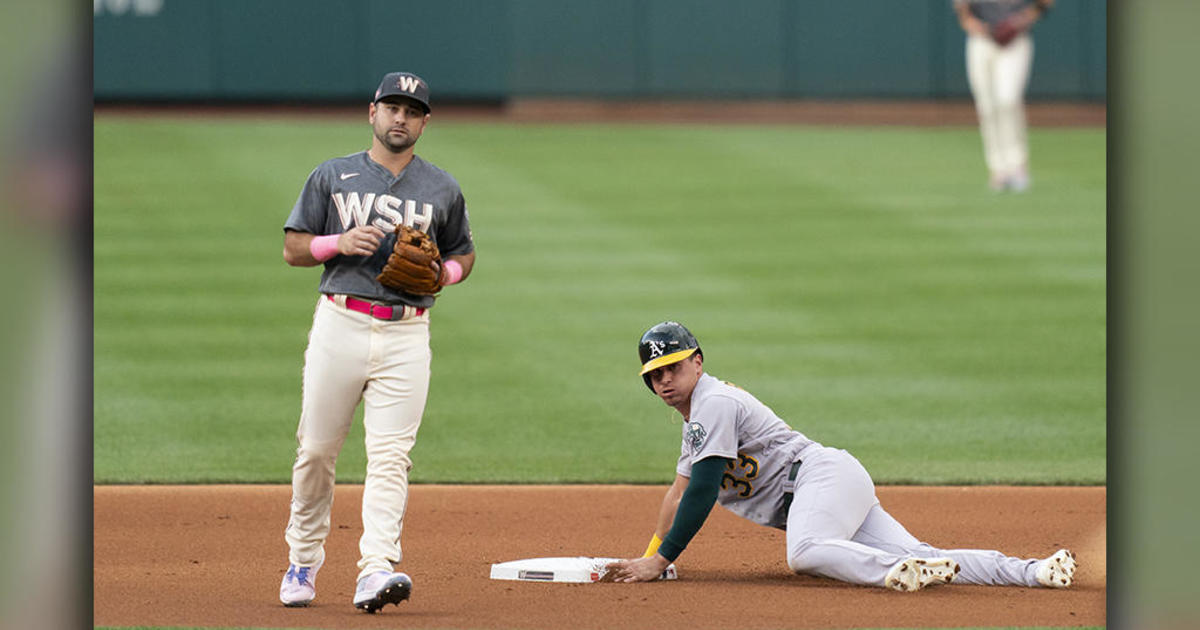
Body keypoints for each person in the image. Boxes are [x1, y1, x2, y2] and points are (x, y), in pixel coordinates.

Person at [606, 321, 1077, 591]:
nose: (663, 380)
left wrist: (665, 555)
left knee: (805, 552)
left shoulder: (714, 402)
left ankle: (892, 571)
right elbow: (679, 492)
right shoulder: (698, 419)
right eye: (653, 374)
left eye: (672, 367)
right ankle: (1035, 571)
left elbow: (705, 488)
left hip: (818, 479)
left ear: (698, 361)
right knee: (925, 554)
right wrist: (654, 559)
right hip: (827, 487)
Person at [277, 71, 476, 613]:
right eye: (392, 108)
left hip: (408, 331)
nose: (400, 118)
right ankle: (302, 559)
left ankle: (375, 569)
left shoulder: (442, 188)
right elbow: (294, 248)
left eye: (411, 111)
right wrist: (337, 242)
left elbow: (463, 252)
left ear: (424, 122)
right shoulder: (332, 176)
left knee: (391, 457)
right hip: (339, 323)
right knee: (316, 450)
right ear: (373, 112)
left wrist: (446, 276)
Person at [954, 0, 1054, 192]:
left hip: (1015, 40)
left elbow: (1045, 3)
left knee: (1007, 100)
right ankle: (998, 169)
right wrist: (971, 23)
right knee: (987, 107)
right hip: (981, 39)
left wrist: (1022, 20)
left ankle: (1017, 166)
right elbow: (962, 8)